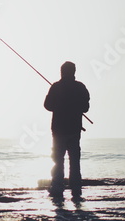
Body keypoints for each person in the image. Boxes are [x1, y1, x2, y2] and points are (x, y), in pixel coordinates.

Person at [44, 61, 90, 198]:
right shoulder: (80, 87)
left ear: (62, 72)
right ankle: (76, 189)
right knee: (74, 161)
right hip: (74, 130)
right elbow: (86, 108)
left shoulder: (56, 87)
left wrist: (59, 104)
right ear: (74, 72)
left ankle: (57, 188)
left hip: (58, 130)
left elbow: (47, 105)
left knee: (58, 160)